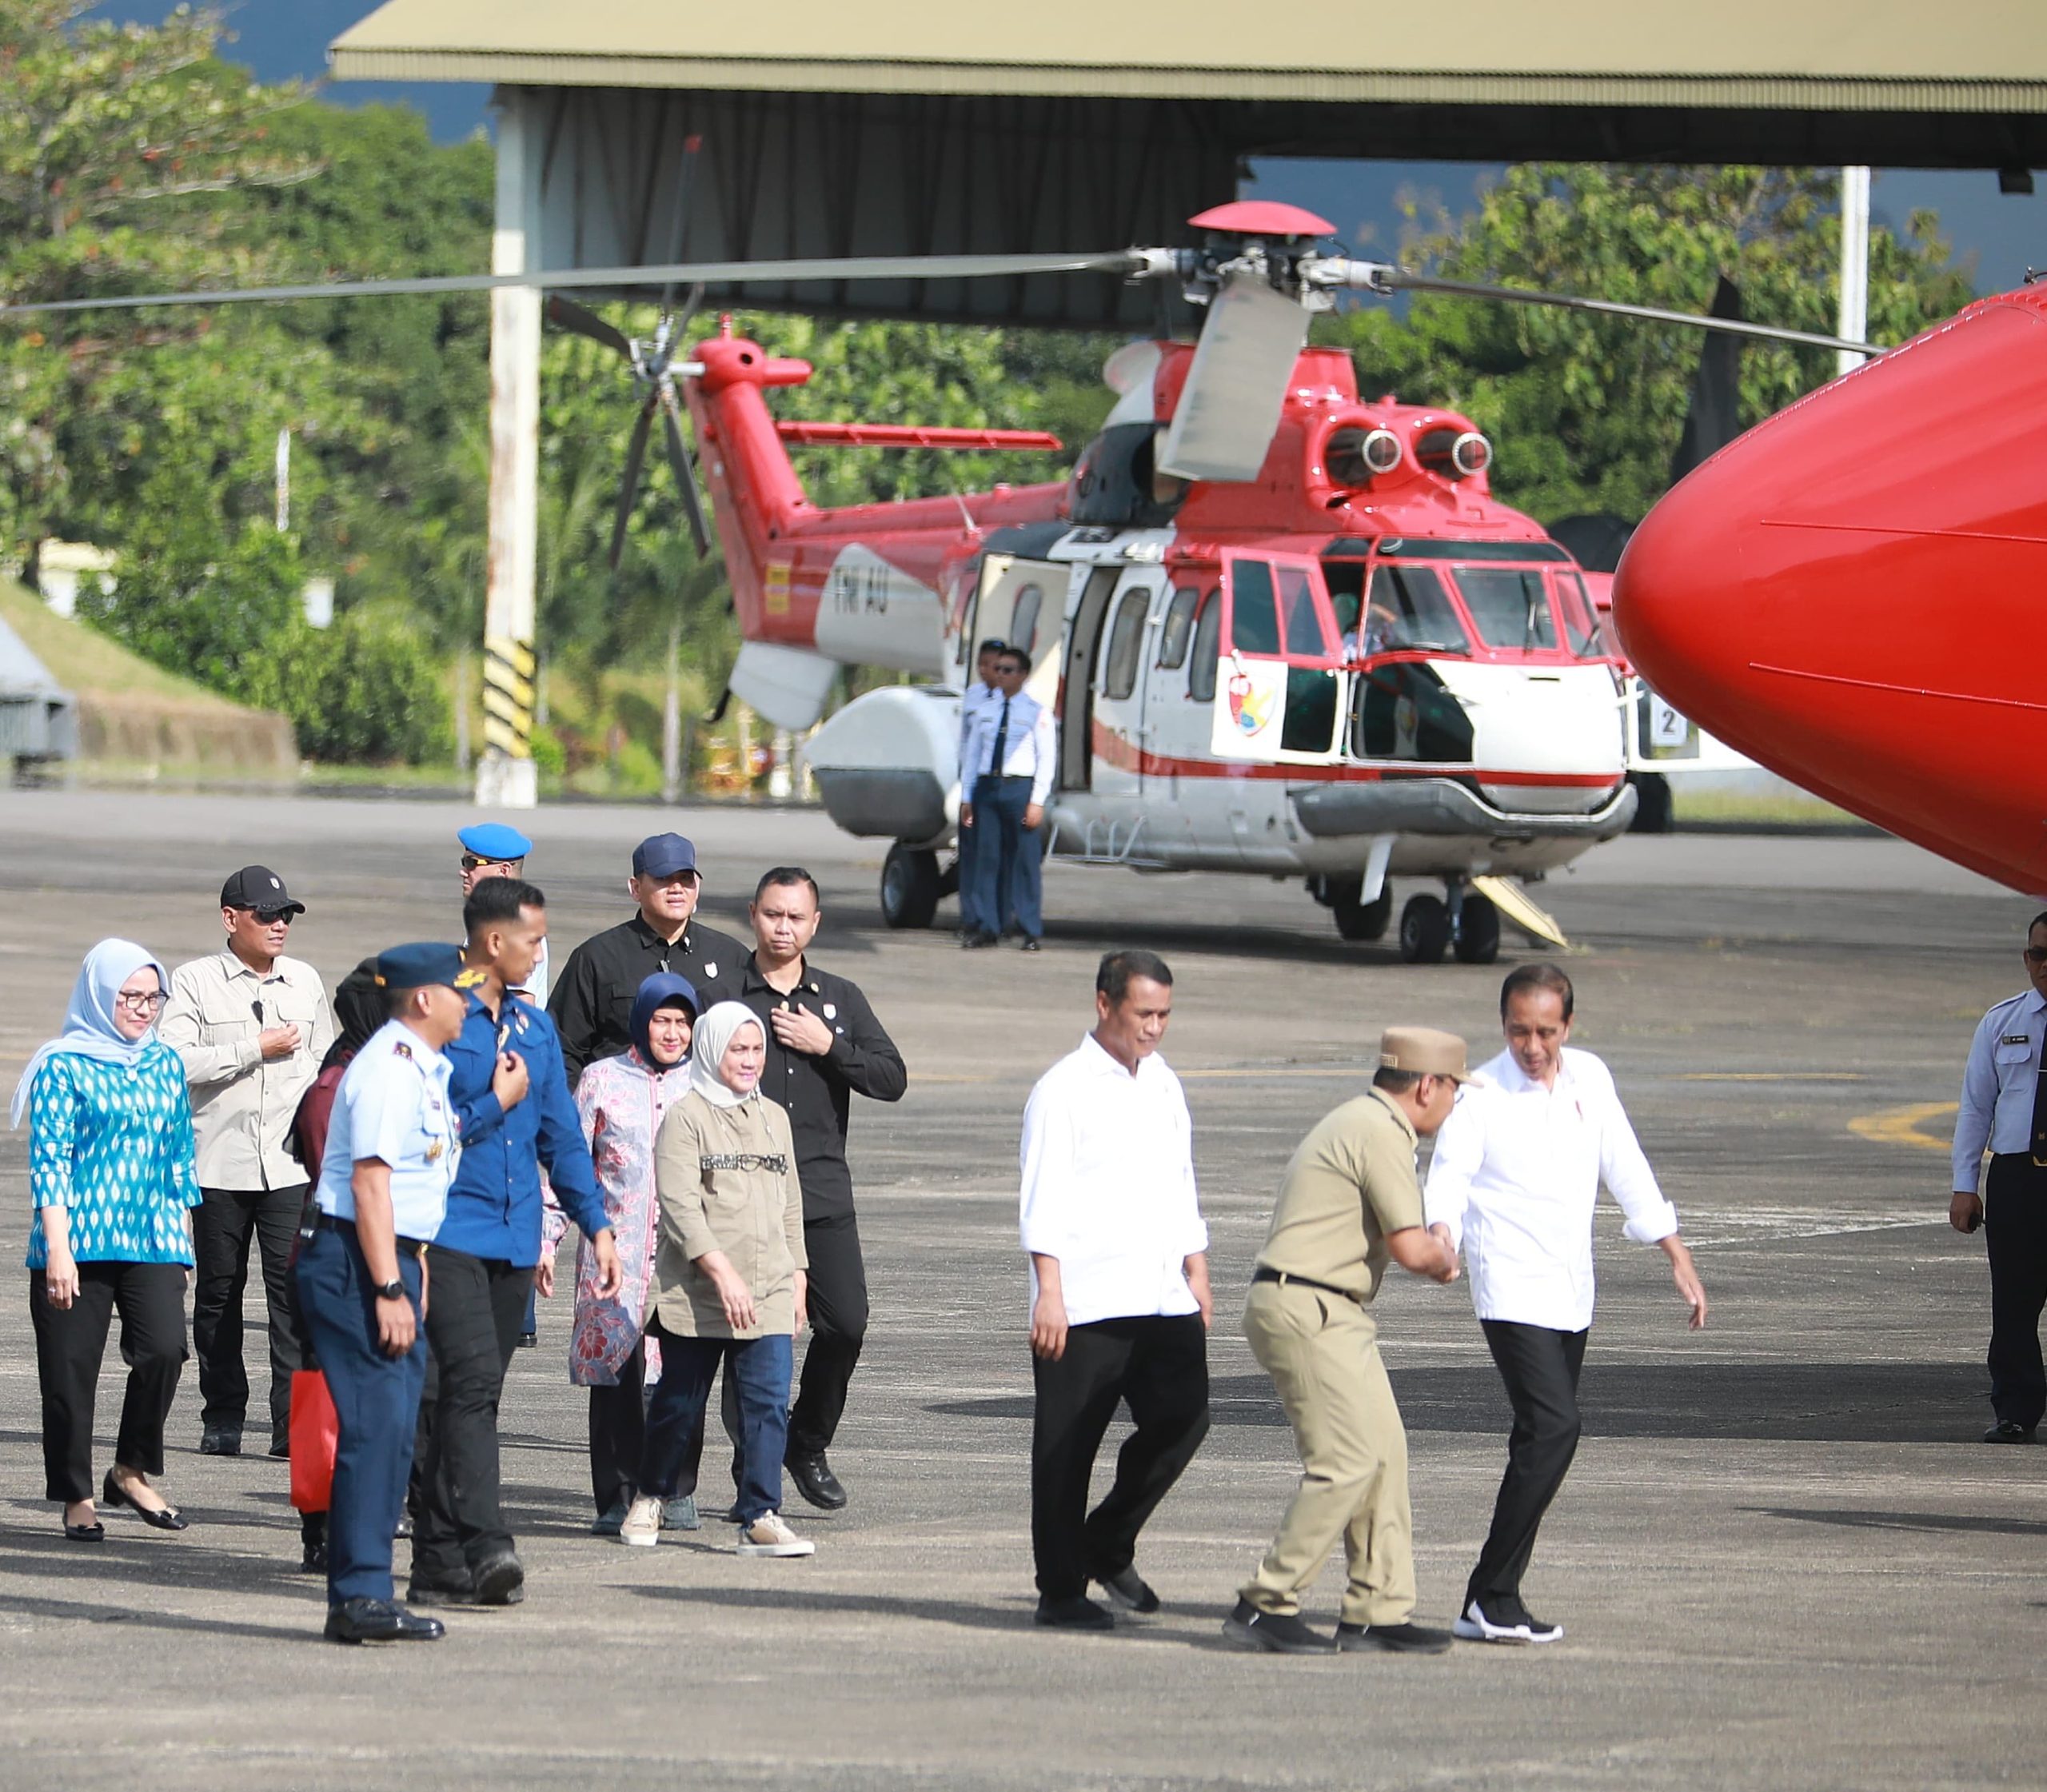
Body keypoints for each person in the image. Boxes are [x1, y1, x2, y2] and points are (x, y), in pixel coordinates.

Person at [1424, 962, 1708, 1646]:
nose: (1532, 1044)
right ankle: (1490, 1592)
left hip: (1571, 1289)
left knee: (1537, 1438)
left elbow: (1626, 1163)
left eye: (1545, 1030)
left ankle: (1492, 1599)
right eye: (1519, 1030)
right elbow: (1449, 1174)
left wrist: (1675, 1251)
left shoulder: (1590, 1078)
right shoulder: (1480, 1093)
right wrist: (1442, 1236)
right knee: (1556, 1428)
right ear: (1503, 1026)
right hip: (1510, 1288)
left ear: (1568, 1026)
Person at [409, 876, 623, 1610]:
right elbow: (414, 1128)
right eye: (533, 939)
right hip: (446, 1232)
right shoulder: (436, 1013)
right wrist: (488, 1103)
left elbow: (563, 1135)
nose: (541, 953)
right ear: (494, 941)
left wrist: (596, 1225)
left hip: (512, 1235)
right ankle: (487, 1539)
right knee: (465, 1388)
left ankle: (435, 1558)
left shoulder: (533, 1029)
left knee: (469, 1396)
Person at [1223, 1028, 1469, 1658]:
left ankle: (1377, 1611)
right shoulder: (1379, 1132)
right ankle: (1265, 1603)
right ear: (1427, 1085)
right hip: (1308, 1304)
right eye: (1454, 1091)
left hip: (1329, 1305)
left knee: (1384, 1449)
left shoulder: (1366, 1122)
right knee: (1349, 1458)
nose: (1453, 1105)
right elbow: (1414, 1249)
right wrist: (1444, 1254)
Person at [1020, 949, 1211, 1630]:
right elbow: (1043, 1195)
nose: (1155, 1028)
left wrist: (1198, 1267)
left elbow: (1180, 1179)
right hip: (1087, 1300)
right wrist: (1049, 1290)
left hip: (1162, 1294)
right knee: (1067, 1448)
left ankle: (1107, 1538)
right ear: (1105, 1005)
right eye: (1143, 1014)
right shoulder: (1064, 1088)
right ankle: (1060, 1588)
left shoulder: (1164, 1084)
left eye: (1164, 1014)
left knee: (1185, 1420)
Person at [295, 942, 469, 1645]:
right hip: (354, 1257)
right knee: (373, 1427)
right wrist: (389, 1282)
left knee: (393, 1426)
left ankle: (366, 1590)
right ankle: (358, 1593)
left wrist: (411, 1266)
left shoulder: (421, 1067)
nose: (471, 998)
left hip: (389, 1254)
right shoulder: (390, 1070)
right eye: (460, 988)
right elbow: (369, 1184)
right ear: (423, 998)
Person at [728, 867, 907, 1511]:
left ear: (815, 923)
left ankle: (806, 1439)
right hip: (743, 1196)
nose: (783, 927)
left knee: (847, 1323)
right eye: (773, 914)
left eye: (796, 917)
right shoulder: (725, 996)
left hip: (822, 1189)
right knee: (749, 1330)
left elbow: (891, 1076)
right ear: (753, 914)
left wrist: (829, 1044)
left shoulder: (838, 997)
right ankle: (752, 1463)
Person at [14, 939, 201, 1543]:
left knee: (166, 1349)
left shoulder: (164, 1062)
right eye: (131, 997)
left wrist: (184, 1244)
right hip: (78, 1240)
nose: (144, 1009)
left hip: (151, 1236)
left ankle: (130, 1468)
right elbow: (51, 1161)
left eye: (153, 997)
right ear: (99, 995)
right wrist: (57, 1249)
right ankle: (77, 1495)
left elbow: (178, 1158)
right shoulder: (62, 1065)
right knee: (69, 1375)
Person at [620, 1001, 814, 1558]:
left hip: (770, 1286)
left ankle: (760, 1513)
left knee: (768, 1404)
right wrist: (720, 1270)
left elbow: (790, 1202)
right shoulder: (686, 1116)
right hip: (698, 1290)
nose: (750, 1060)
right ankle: (651, 1493)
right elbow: (679, 1205)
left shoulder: (774, 1118)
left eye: (757, 1049)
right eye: (739, 1049)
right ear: (711, 1050)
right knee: (679, 1402)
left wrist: (798, 1273)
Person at [160, 864, 333, 1459]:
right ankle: (223, 1413)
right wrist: (250, 1050)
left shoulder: (305, 981)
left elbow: (323, 1068)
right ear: (232, 918)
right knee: (218, 1293)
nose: (279, 924)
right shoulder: (194, 982)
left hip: (289, 1167)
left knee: (294, 1298)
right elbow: (172, 1062)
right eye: (266, 914)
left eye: (286, 914)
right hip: (218, 1162)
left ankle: (290, 1426)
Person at [541, 972, 700, 1534]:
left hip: (684, 1253)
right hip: (614, 1251)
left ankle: (676, 1488)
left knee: (681, 1369)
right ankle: (617, 1493)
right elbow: (571, 1165)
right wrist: (547, 1238)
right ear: (642, 1020)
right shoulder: (602, 1079)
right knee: (615, 1376)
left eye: (683, 1022)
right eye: (662, 1019)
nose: (673, 1032)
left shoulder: (705, 1084)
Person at [285, 956, 385, 1574]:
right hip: (337, 1259)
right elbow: (342, 1179)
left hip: (374, 1254)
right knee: (323, 1400)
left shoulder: (379, 1074)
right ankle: (318, 1525)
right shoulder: (336, 1087)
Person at [1950, 909, 2047, 1443]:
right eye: (2038, 954)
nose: (2045, 964)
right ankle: (2015, 1410)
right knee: (2013, 1303)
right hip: (2017, 1178)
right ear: (2026, 959)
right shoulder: (2002, 1022)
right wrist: (1965, 1184)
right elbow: (1974, 1108)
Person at [550, 832, 746, 1081]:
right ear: (635, 888)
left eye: (686, 879)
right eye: (663, 878)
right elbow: (563, 1049)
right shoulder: (597, 958)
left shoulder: (730, 956)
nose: (676, 889)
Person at [959, 645, 1056, 952]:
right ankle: (988, 925)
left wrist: (1037, 800)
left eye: (1007, 670)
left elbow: (1046, 758)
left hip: (1019, 787)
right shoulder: (984, 711)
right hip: (988, 787)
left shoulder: (1036, 713)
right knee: (987, 859)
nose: (999, 674)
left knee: (1025, 860)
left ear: (1023, 675)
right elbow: (972, 756)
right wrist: (967, 796)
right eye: (998, 669)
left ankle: (1029, 928)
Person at [459, 822, 548, 1004]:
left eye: (472, 863)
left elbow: (521, 1007)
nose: (463, 872)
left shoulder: (516, 925)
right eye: (464, 862)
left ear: (503, 870)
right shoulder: (493, 919)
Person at [956, 637, 1006, 945]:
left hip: (999, 784)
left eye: (995, 665)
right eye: (983, 664)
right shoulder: (972, 697)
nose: (988, 671)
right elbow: (965, 744)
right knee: (971, 856)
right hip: (973, 784)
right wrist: (964, 787)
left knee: (997, 858)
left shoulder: (1011, 699)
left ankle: (998, 917)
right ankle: (970, 917)